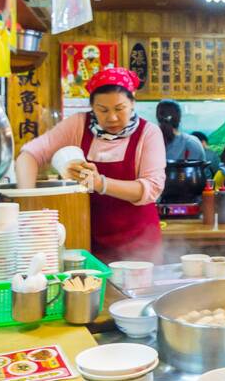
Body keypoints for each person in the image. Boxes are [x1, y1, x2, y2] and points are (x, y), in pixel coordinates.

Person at [17, 66, 166, 264]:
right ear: (92, 106)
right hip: (87, 240)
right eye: (102, 110)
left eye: (120, 108)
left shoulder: (149, 133)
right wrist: (26, 206)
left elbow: (152, 188)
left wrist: (100, 183)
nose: (111, 118)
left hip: (139, 243)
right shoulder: (78, 125)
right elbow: (29, 155)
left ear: (133, 101)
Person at [156, 99, 206, 164]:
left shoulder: (148, 142)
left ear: (158, 118)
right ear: (179, 118)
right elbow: (200, 171)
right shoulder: (192, 142)